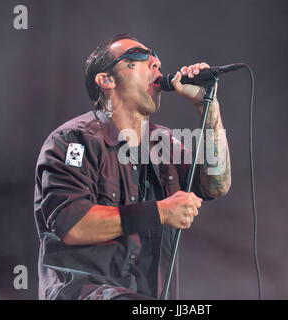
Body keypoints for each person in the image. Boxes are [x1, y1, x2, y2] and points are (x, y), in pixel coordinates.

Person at [34, 34, 231, 300]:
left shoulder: (165, 144)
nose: (156, 62)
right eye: (138, 56)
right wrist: (159, 211)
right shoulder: (74, 141)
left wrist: (207, 104)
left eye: (156, 56)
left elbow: (217, 183)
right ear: (106, 80)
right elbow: (74, 225)